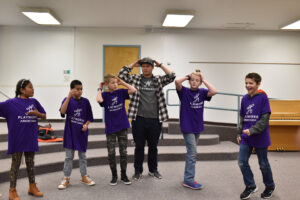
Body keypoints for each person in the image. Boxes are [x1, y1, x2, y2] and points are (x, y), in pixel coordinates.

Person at [118, 57, 176, 180]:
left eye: (148, 66)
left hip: (155, 119)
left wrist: (160, 63)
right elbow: (121, 74)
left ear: (152, 67)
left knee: (153, 146)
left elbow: (172, 76)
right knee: (139, 146)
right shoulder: (135, 79)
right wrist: (134, 63)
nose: (145, 68)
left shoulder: (158, 80)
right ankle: (137, 171)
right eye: (143, 66)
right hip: (138, 119)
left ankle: (153, 170)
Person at [0, 79, 46, 200]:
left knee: (30, 164)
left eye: (33, 87)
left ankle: (32, 186)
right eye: (30, 87)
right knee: (15, 165)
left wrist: (38, 114)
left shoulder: (34, 101)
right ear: (22, 89)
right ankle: (12, 191)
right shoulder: (10, 103)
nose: (33, 89)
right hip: (17, 140)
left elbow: (44, 115)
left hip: (30, 138)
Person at [175, 69, 217, 190]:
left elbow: (214, 91)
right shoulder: (184, 92)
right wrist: (188, 76)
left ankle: (188, 178)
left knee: (192, 152)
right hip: (187, 126)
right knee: (192, 153)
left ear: (200, 83)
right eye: (192, 80)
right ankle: (188, 180)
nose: (194, 82)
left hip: (197, 126)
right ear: (189, 81)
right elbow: (177, 81)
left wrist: (203, 80)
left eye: (196, 81)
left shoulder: (203, 92)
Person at [237, 73, 275, 199]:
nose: (248, 85)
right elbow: (242, 117)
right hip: (246, 137)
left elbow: (264, 120)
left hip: (260, 136)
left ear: (258, 84)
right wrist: (239, 132)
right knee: (242, 162)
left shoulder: (263, 98)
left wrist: (252, 130)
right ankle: (250, 186)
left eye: (251, 83)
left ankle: (269, 186)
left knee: (263, 164)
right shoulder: (244, 99)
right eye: (246, 83)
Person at [97, 74, 136, 185]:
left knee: (123, 152)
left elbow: (133, 90)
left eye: (116, 82)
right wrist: (100, 88)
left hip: (122, 126)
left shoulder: (121, 92)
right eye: (113, 83)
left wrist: (122, 82)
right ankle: (114, 176)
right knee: (111, 153)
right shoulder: (104, 95)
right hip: (111, 128)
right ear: (107, 84)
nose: (115, 84)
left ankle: (123, 175)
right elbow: (99, 100)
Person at [58, 80, 95, 190]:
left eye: (81, 89)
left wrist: (86, 124)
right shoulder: (67, 100)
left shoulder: (86, 101)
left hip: (81, 134)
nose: (80, 91)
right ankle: (66, 178)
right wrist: (69, 97)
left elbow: (89, 117)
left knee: (82, 156)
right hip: (70, 133)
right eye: (77, 89)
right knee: (69, 157)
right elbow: (63, 112)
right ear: (72, 89)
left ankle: (84, 176)